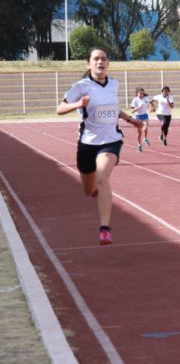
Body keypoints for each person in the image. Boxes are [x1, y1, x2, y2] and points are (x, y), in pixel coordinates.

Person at [56, 47, 142, 246]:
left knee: (102, 178)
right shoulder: (81, 86)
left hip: (111, 140)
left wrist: (130, 119)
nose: (100, 62)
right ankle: (93, 189)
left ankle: (105, 228)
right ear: (89, 63)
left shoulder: (114, 84)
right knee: (88, 189)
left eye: (103, 59)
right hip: (87, 143)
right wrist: (77, 105)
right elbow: (59, 109)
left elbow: (112, 108)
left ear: (108, 63)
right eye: (96, 59)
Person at [130, 87, 151, 152]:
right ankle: (139, 145)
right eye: (140, 93)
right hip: (138, 117)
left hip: (145, 115)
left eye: (142, 93)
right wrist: (138, 107)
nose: (142, 95)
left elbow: (150, 102)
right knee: (139, 133)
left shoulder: (145, 98)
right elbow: (132, 111)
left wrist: (152, 107)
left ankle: (145, 139)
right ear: (137, 93)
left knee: (145, 128)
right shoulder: (135, 100)